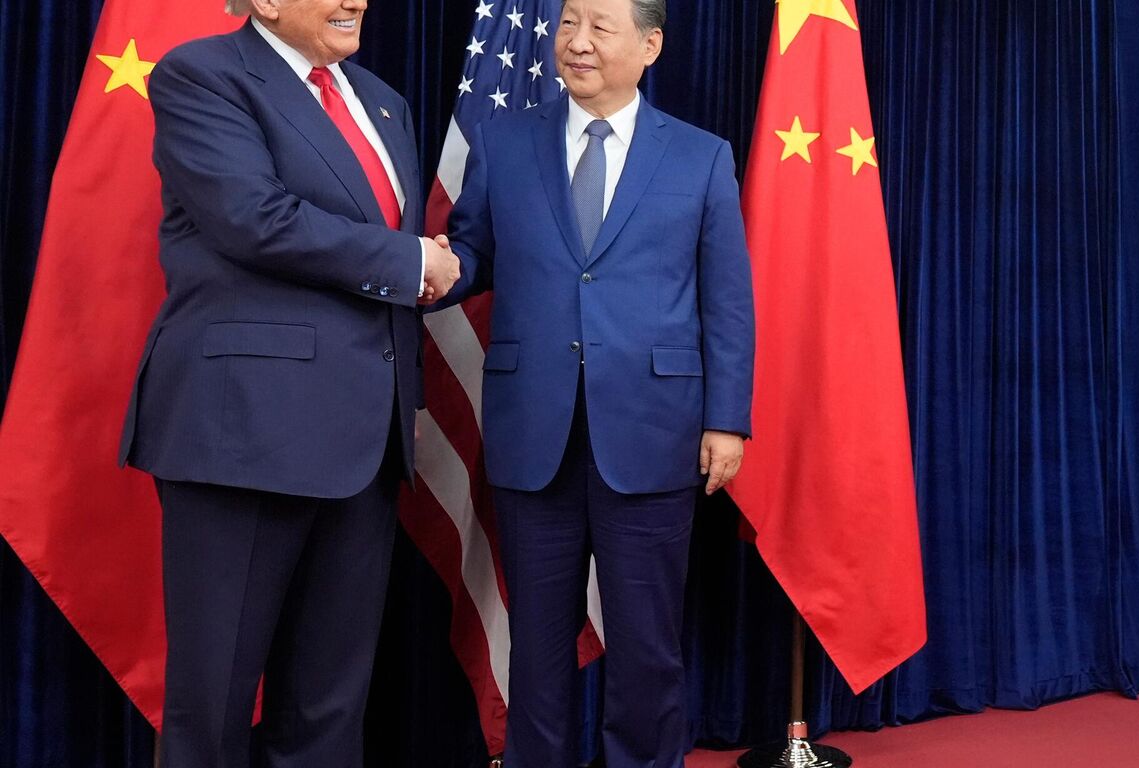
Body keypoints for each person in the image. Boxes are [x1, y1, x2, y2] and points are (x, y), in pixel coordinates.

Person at [118, 0, 460, 764]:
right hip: (243, 434)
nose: (356, 1)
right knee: (214, 702)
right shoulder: (202, 76)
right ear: (266, 0)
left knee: (329, 707)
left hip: (367, 441)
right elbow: (253, 217)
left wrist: (408, 395)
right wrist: (412, 264)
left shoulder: (383, 101)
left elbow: (384, 251)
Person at [435, 0, 754, 764]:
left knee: (647, 646)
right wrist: (426, 268)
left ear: (650, 46)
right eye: (567, 22)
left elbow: (727, 300)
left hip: (653, 430)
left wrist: (727, 420)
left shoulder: (700, 157)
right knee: (537, 649)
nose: (575, 42)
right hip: (531, 432)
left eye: (598, 27)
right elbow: (471, 253)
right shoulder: (504, 140)